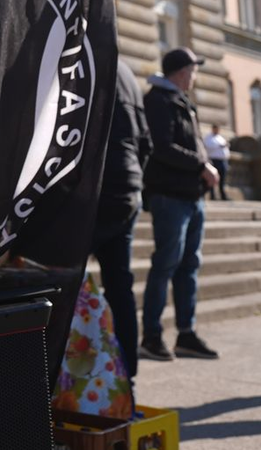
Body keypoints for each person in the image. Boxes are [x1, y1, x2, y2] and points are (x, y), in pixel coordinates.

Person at [139, 47, 221, 361]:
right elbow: (162, 148)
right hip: (170, 197)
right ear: (182, 71)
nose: (196, 76)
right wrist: (201, 165)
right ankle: (152, 336)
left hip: (191, 196)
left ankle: (186, 334)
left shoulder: (182, 102)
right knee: (166, 265)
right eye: (193, 69)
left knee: (189, 267)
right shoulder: (159, 101)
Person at [91, 58, 153, 385]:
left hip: (93, 189)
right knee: (120, 285)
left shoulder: (83, 51)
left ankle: (62, 375)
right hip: (127, 187)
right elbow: (146, 141)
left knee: (61, 281)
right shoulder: (127, 71)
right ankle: (127, 374)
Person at [202, 123, 230, 200]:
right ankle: (212, 195)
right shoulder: (208, 138)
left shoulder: (220, 137)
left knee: (222, 179)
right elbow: (208, 146)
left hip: (223, 160)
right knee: (213, 178)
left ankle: (223, 195)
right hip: (214, 160)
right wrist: (219, 146)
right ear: (213, 129)